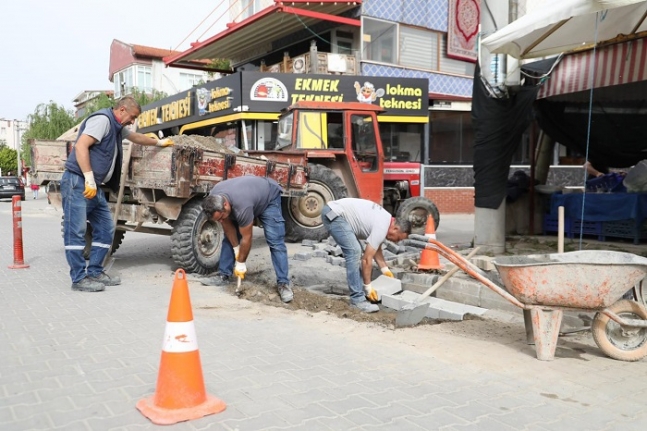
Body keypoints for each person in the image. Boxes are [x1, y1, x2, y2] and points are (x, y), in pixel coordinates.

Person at [61, 96, 173, 292]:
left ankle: (95, 271)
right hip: (77, 182)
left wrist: (159, 143)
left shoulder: (117, 127)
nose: (133, 121)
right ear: (122, 110)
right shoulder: (103, 121)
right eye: (132, 117)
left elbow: (136, 137)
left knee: (106, 227)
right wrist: (88, 177)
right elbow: (81, 146)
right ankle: (78, 279)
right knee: (76, 231)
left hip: (92, 185)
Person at [201, 176, 293, 303]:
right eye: (218, 220)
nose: (221, 221)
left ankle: (283, 283)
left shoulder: (242, 205)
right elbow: (229, 229)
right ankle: (223, 275)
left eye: (221, 217)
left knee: (275, 241)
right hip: (248, 197)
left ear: (225, 204)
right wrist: (236, 250)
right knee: (229, 238)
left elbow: (247, 237)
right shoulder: (215, 199)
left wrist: (241, 263)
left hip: (268, 197)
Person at [321, 198, 411, 313]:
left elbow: (376, 249)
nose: (396, 242)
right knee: (354, 251)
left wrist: (385, 270)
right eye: (398, 238)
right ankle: (357, 300)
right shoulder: (382, 226)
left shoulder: (386, 220)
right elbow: (367, 260)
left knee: (355, 250)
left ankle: (358, 292)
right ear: (395, 228)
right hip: (334, 214)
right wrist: (368, 287)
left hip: (334, 212)